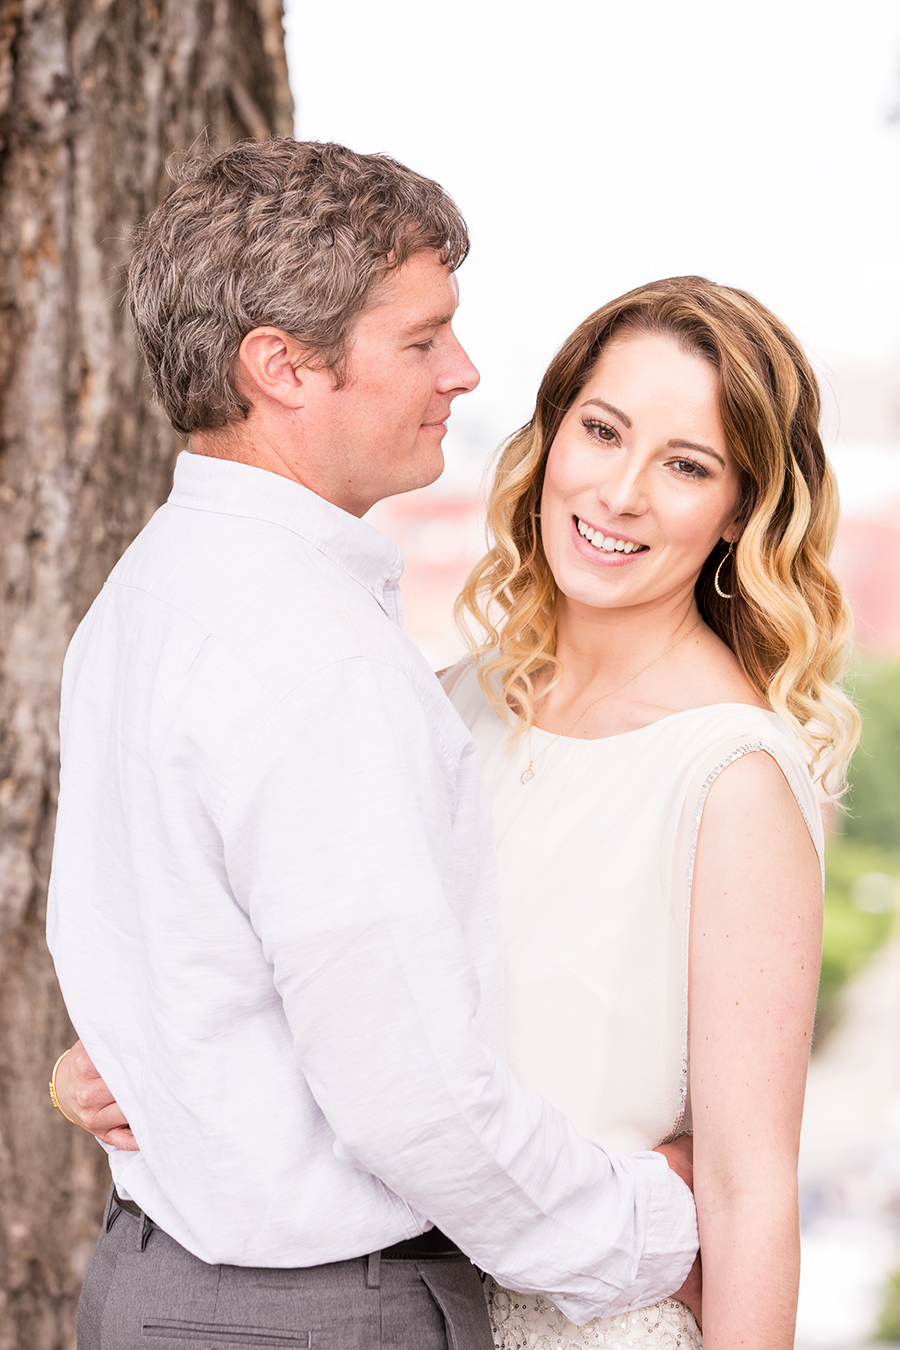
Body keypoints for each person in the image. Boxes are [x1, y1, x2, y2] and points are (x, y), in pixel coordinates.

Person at [45, 140, 698, 1350]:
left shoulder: (143, 597)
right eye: (421, 339)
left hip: (155, 1288)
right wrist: (657, 1232)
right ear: (282, 367)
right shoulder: (317, 663)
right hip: (317, 1315)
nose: (463, 371)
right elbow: (416, 1105)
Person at [441, 276, 858, 1348]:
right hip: (395, 1310)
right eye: (603, 431)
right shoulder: (451, 707)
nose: (621, 492)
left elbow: (749, 1187)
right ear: (552, 437)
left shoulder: (733, 775)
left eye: (686, 465)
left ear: (739, 511)